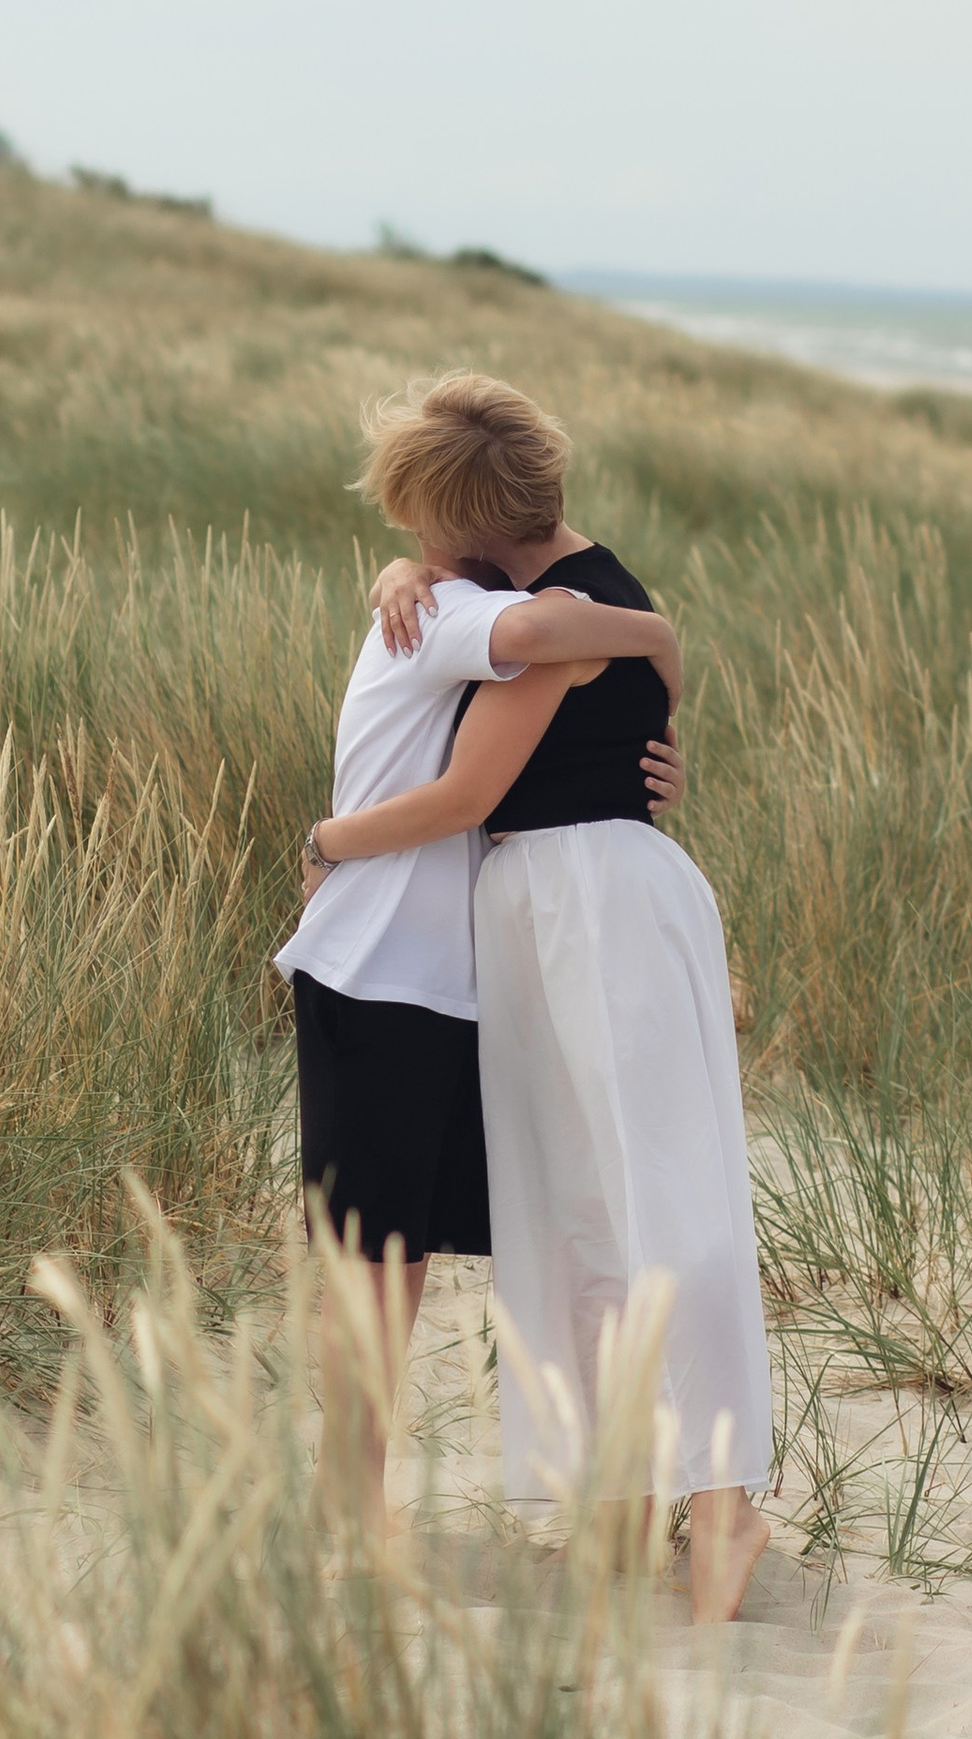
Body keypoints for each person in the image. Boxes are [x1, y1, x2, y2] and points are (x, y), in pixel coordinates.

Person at [301, 372, 775, 1624]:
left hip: (576, 908)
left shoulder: (558, 616)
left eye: (414, 530)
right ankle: (620, 1497)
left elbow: (469, 791)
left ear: (453, 523)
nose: (402, 552)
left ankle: (722, 1499)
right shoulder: (533, 595)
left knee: (653, 1206)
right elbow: (533, 657)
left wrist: (327, 838)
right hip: (533, 923)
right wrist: (656, 638)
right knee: (577, 1212)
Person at [274, 385, 684, 1522]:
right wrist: (654, 633)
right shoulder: (445, 613)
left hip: (447, 982)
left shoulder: (444, 598)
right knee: (376, 1258)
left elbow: (544, 662)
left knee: (403, 1252)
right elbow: (543, 634)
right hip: (384, 970)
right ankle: (345, 1502)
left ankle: (371, 1499)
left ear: (441, 521)